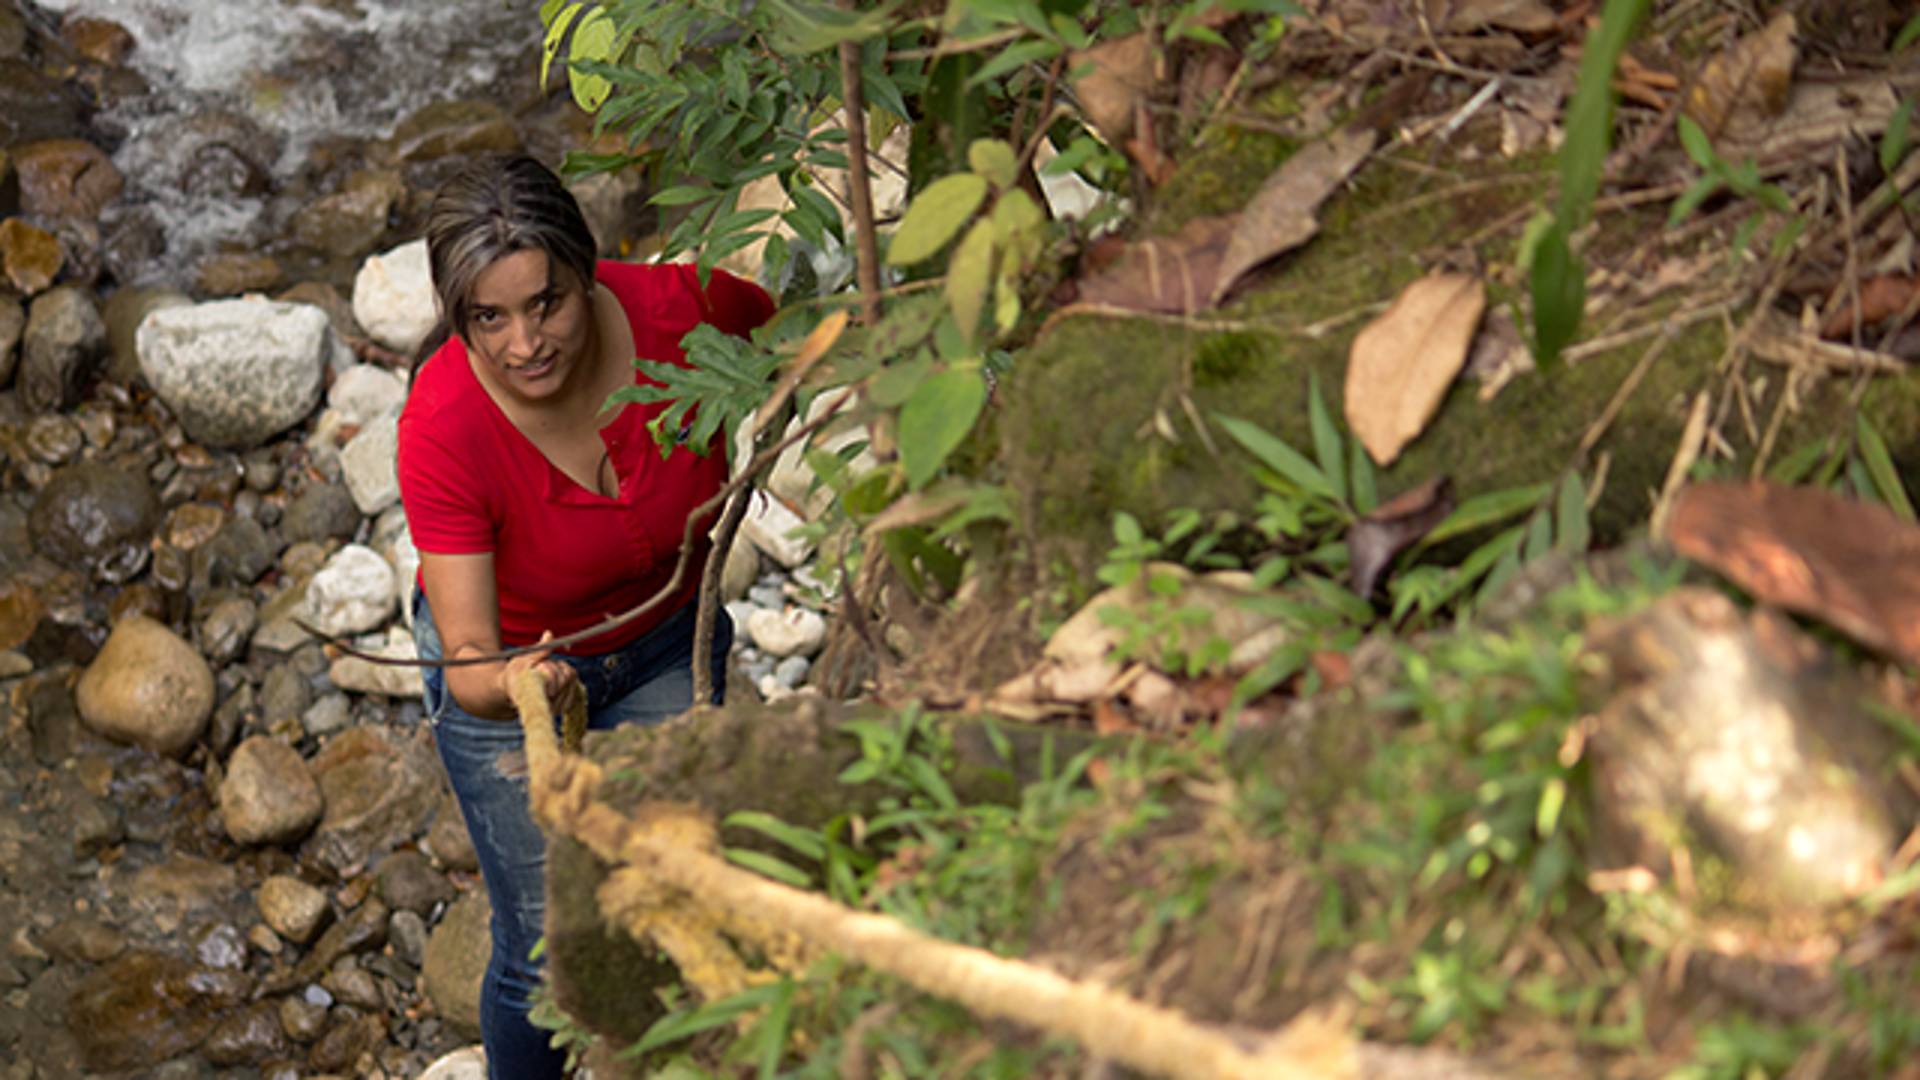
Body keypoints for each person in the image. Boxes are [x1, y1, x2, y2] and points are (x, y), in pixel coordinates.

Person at [396, 154, 774, 1079]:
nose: (526, 343)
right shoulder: (442, 424)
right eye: (490, 317)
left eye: (546, 303)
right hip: (513, 678)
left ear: (587, 270)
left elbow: (833, 329)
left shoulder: (685, 311)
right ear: (458, 317)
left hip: (666, 647)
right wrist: (519, 681)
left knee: (685, 894)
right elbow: (472, 653)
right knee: (545, 947)